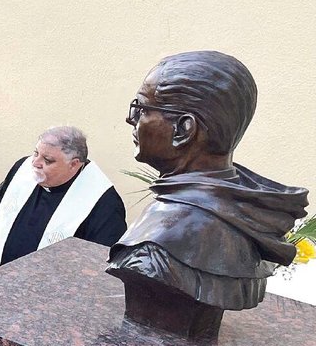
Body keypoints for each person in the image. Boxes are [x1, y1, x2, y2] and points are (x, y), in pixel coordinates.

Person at [108, 50, 310, 317]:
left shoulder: (156, 246)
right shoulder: (253, 217)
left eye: (141, 108)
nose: (131, 119)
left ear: (183, 130)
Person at [0, 126, 127, 272]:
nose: (35, 163)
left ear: (74, 164)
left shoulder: (103, 203)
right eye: (36, 153)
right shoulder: (21, 170)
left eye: (47, 160)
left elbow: (100, 261)